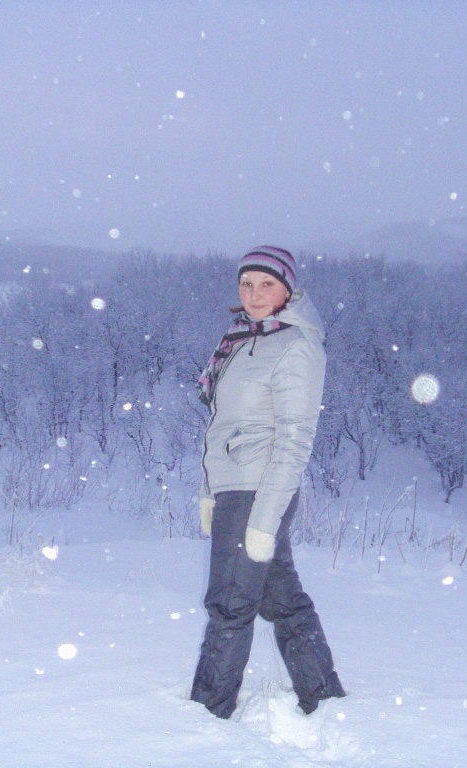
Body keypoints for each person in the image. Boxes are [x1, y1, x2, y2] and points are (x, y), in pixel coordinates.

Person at [190, 245, 346, 719]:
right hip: (235, 486)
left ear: (288, 289)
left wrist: (263, 519)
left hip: (258, 490)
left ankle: (207, 712)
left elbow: (295, 439)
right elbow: (222, 426)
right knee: (281, 599)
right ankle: (323, 695)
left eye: (266, 284)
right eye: (246, 284)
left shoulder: (296, 345)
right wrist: (209, 492)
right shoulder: (242, 339)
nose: (254, 294)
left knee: (229, 603)